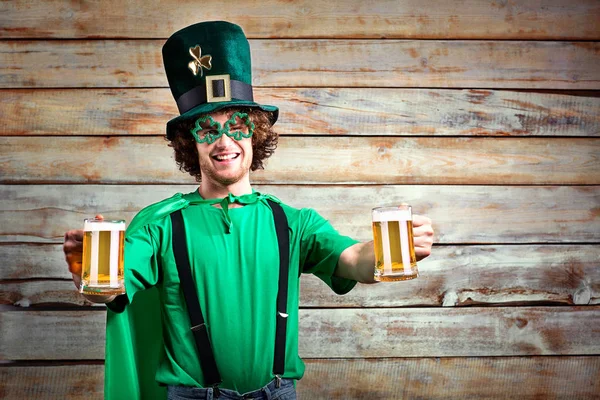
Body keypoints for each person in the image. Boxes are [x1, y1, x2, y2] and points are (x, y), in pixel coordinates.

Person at [63, 21, 434, 400]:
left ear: (255, 134)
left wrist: (396, 249)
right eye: (207, 130)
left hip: (277, 394)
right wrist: (85, 275)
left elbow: (353, 258)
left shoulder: (292, 223)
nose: (224, 141)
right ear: (190, 144)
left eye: (238, 126)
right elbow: (113, 286)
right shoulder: (161, 227)